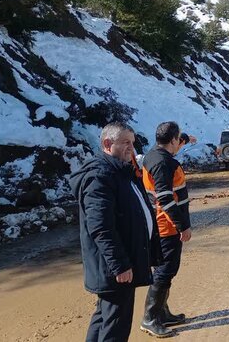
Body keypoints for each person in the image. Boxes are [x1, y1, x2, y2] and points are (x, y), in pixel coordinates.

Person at [69, 122, 161, 342]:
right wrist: (120, 264)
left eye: (133, 142)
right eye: (125, 143)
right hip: (115, 268)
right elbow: (100, 226)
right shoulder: (100, 176)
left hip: (119, 264)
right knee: (116, 327)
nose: (132, 147)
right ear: (107, 144)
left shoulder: (121, 170)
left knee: (104, 317)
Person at [140, 122, 193, 337]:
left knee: (166, 269)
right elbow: (164, 198)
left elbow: (175, 145)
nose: (179, 141)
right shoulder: (162, 163)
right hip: (166, 226)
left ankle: (163, 313)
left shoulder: (154, 154)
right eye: (178, 138)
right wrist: (183, 226)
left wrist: (187, 139)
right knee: (165, 271)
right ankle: (150, 318)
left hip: (162, 224)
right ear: (171, 140)